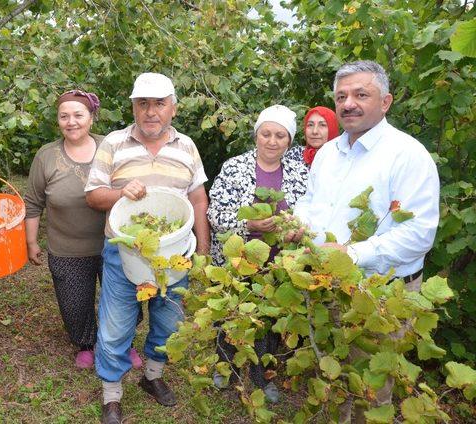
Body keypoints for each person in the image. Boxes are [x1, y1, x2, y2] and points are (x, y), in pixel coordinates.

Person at [291, 60, 440, 422]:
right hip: (328, 285)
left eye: (361, 94)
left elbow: (418, 233)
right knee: (334, 374)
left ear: (385, 101)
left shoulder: (408, 155)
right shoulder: (328, 153)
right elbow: (312, 202)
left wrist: (350, 254)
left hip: (381, 292)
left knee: (370, 390)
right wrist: (297, 223)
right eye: (341, 96)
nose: (348, 103)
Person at [84, 72, 210, 424]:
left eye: (159, 104)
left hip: (174, 254)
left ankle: (152, 376)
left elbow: (198, 198)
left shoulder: (186, 146)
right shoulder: (113, 143)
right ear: (133, 107)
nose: (150, 112)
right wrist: (120, 192)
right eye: (143, 104)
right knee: (114, 326)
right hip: (124, 253)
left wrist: (202, 249)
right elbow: (94, 197)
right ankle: (111, 395)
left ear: (173, 108)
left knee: (169, 323)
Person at [24, 90, 142, 370]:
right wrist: (31, 242)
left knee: (124, 297)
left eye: (78, 114)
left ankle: (124, 343)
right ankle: (87, 343)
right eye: (64, 116)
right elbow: (32, 203)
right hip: (67, 248)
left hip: (115, 243)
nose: (71, 121)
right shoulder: (47, 156)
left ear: (92, 117)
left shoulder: (112, 147)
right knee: (75, 305)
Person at [206, 104, 308, 402]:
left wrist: (297, 227)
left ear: (289, 141)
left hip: (279, 262)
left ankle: (262, 376)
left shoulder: (300, 172)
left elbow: (309, 212)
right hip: (237, 259)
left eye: (280, 135)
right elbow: (215, 213)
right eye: (266, 134)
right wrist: (247, 222)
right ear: (256, 135)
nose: (272, 141)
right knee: (229, 313)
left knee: (268, 320)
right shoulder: (235, 167)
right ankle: (225, 367)